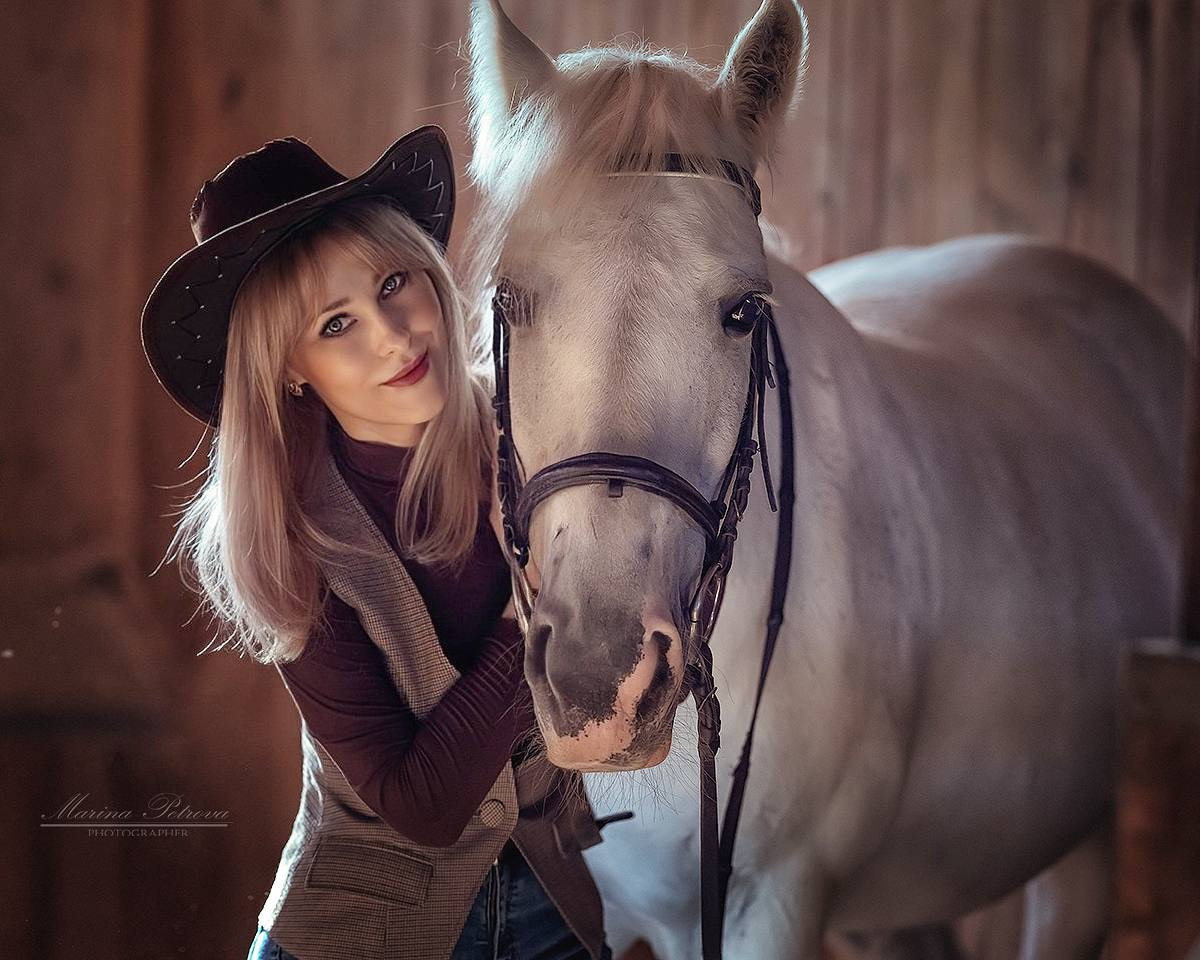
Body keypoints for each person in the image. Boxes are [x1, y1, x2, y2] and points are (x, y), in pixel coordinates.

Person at [140, 126, 613, 960]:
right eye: (336, 325)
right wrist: (527, 607)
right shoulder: (287, 539)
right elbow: (421, 806)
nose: (393, 333)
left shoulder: (540, 438)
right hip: (361, 931)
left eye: (394, 283)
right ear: (288, 367)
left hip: (555, 913)